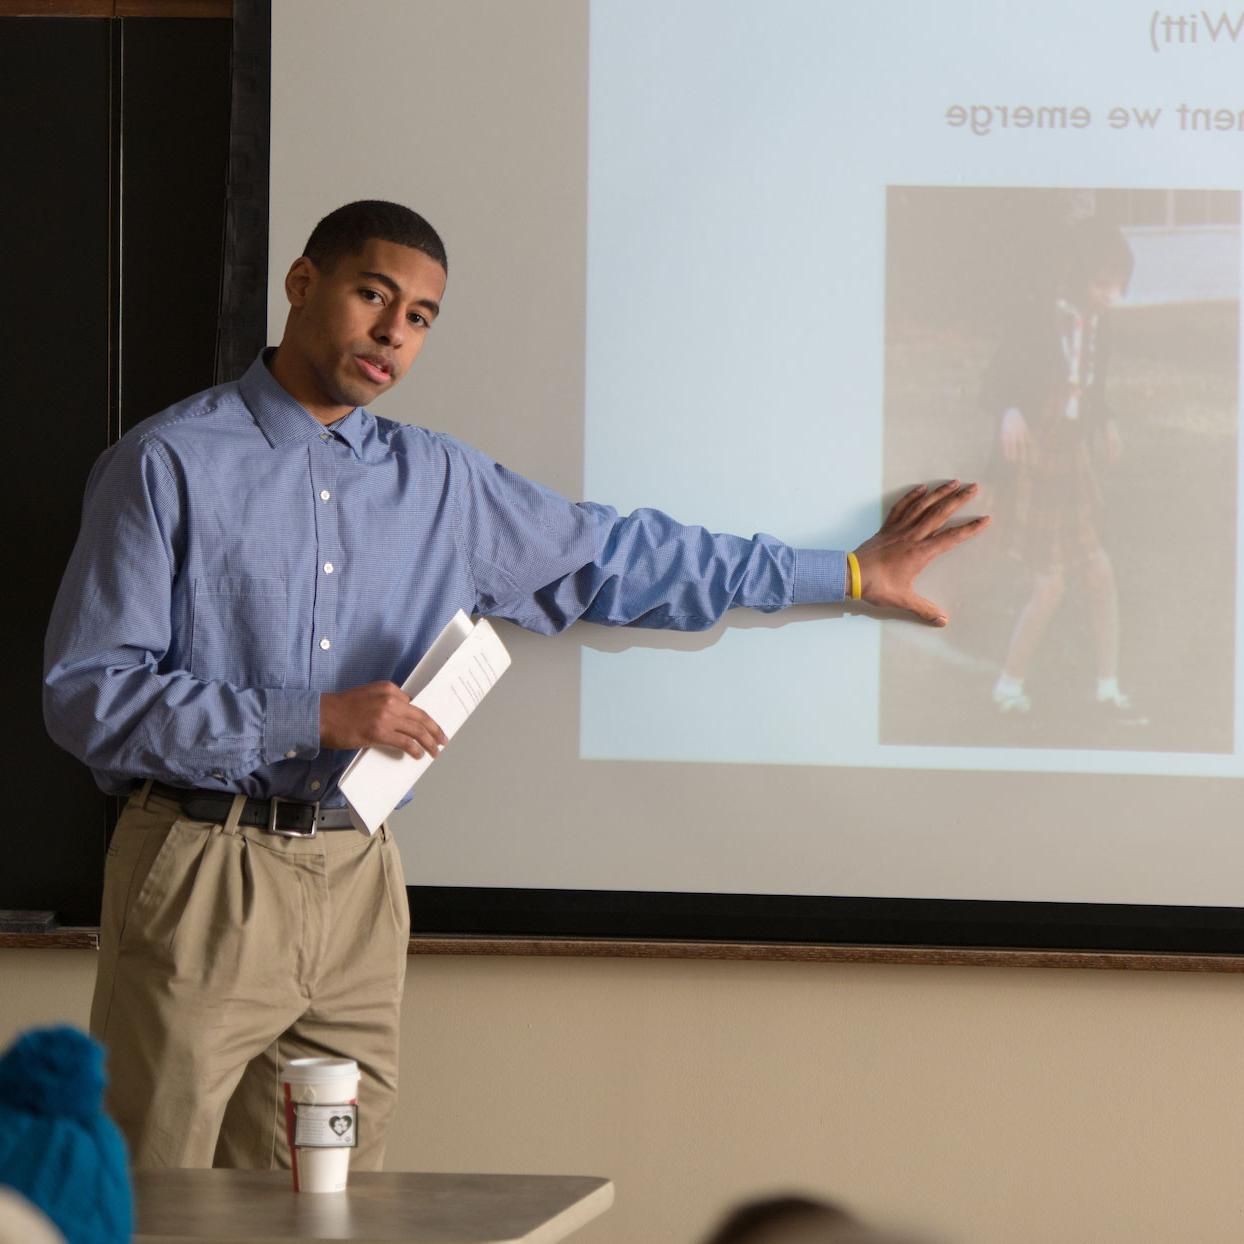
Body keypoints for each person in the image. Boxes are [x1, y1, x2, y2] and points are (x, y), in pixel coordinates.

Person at [44, 200, 988, 1170]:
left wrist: (847, 574)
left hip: (357, 876)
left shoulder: (443, 484)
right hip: (204, 863)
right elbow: (88, 692)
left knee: (322, 1199)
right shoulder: (168, 463)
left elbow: (621, 557)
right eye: (374, 295)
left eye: (419, 317)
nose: (391, 334)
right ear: (301, 283)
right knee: (148, 1187)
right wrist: (311, 716)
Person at [985, 215, 1145, 724]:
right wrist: (1009, 410)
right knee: (1049, 586)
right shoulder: (1037, 319)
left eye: (1119, 284)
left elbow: (1093, 391)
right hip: (1034, 459)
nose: (1112, 294)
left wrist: (1107, 421)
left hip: (1072, 460)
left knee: (1100, 572)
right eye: (1103, 283)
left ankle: (1107, 688)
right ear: (1079, 277)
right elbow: (998, 378)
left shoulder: (1103, 325)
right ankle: (1007, 687)